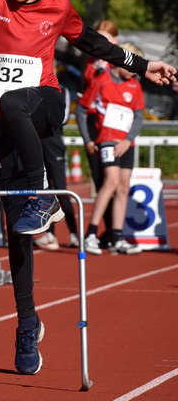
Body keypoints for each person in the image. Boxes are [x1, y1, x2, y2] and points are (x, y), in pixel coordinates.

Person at [0, 0, 176, 376]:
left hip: (44, 106)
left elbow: (97, 46)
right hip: (1, 127)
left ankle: (43, 192)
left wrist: (144, 66)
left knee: (14, 101)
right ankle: (27, 323)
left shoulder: (58, 8)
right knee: (18, 230)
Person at [0, 84, 78, 250]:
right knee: (9, 190)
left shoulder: (55, 86)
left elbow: (61, 115)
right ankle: (26, 232)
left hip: (47, 138)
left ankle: (73, 232)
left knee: (58, 186)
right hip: (0, 133)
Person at [76, 42, 146, 255]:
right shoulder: (102, 80)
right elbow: (82, 109)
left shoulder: (135, 86)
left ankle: (117, 236)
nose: (134, 73)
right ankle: (91, 234)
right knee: (111, 182)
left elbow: (139, 116)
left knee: (123, 186)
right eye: (133, 66)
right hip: (107, 140)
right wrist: (88, 139)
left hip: (127, 143)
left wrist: (128, 139)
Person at [73, 19, 119, 247]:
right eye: (98, 37)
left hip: (114, 125)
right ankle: (104, 230)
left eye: (106, 38)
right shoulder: (92, 62)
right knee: (101, 179)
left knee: (116, 181)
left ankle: (114, 231)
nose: (101, 42)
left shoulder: (119, 61)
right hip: (94, 122)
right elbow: (87, 96)